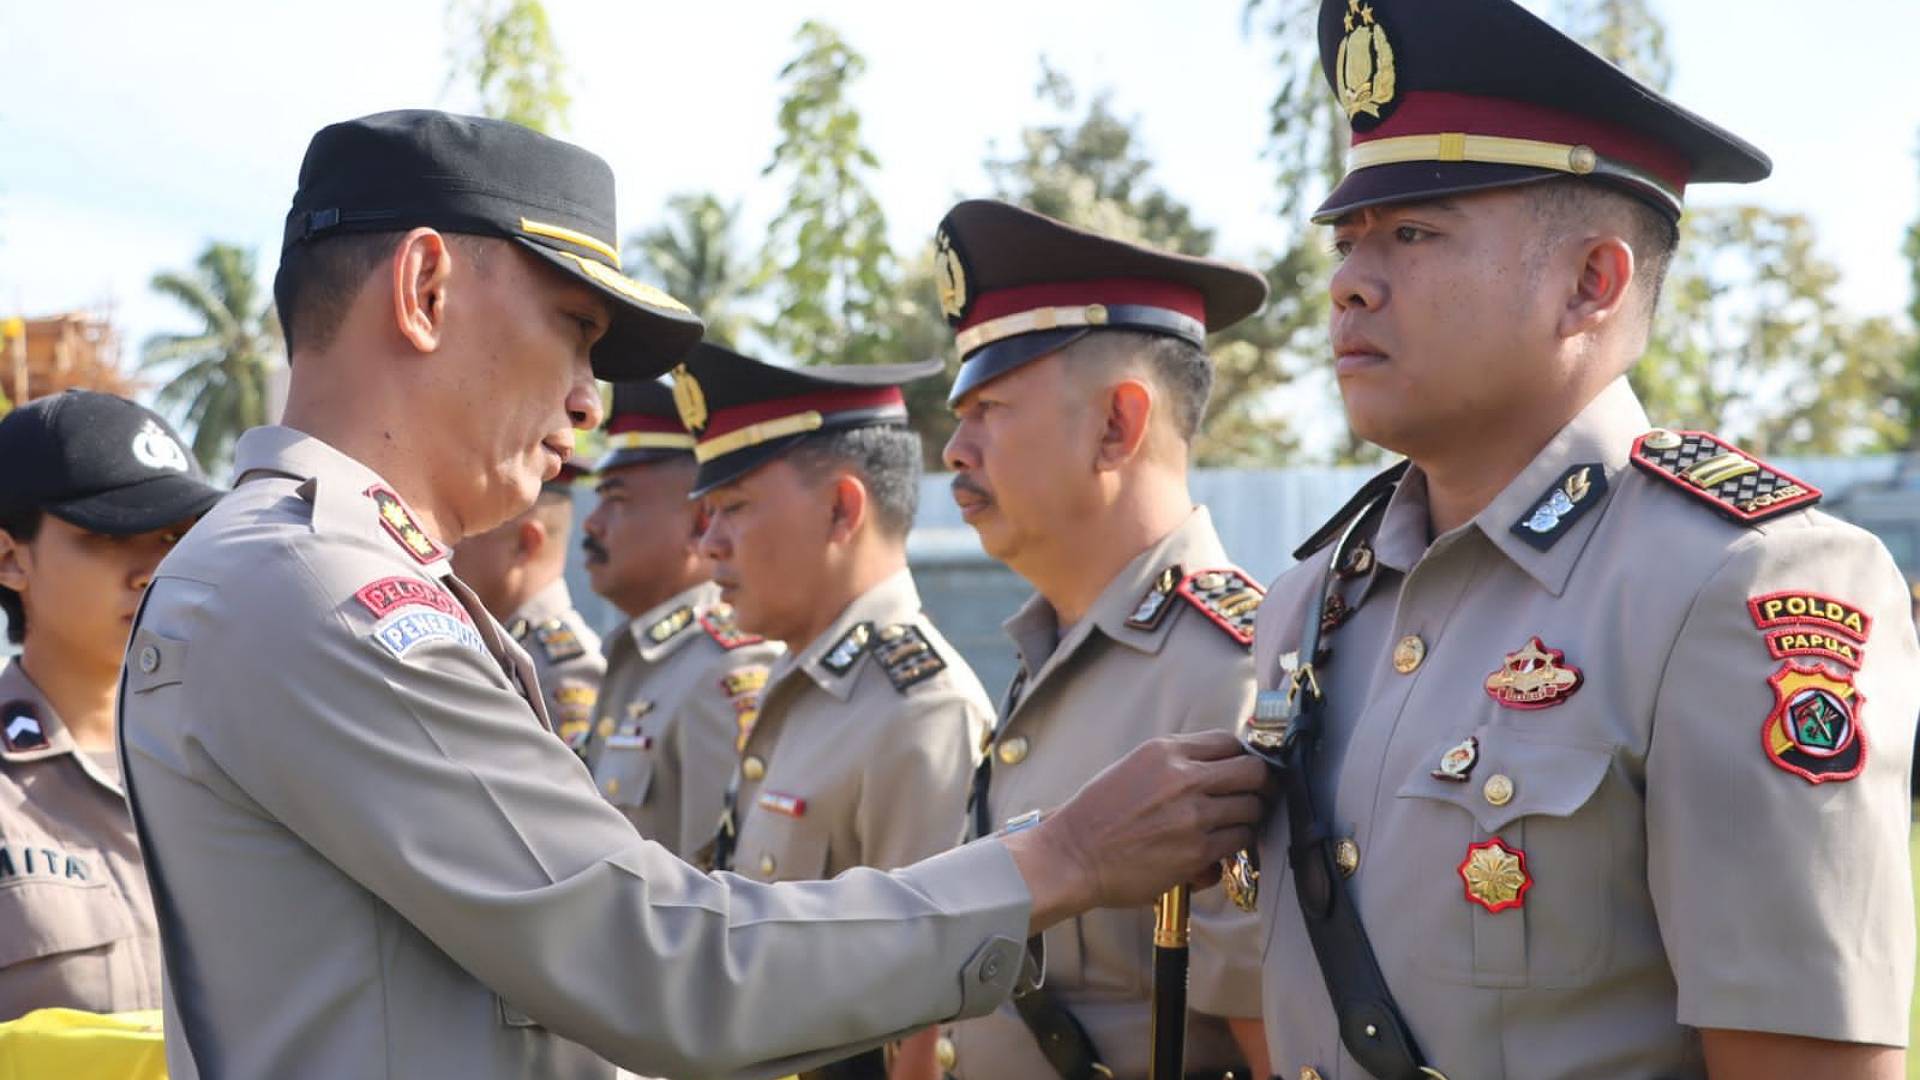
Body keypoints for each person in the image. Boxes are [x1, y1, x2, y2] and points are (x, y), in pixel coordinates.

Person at [117, 109, 1270, 1080]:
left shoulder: (294, 574)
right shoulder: (326, 592)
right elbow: (658, 957)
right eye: (575, 332)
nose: (587, 402)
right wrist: (1057, 860)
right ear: (424, 287)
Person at [1241, 3, 1919, 1078]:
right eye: (1348, 240)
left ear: (1591, 283)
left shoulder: (1739, 582)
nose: (1348, 283)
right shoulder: (1309, 606)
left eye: (1413, 233)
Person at [935, 199, 1273, 1080]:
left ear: (1118, 425)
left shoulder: (1236, 670)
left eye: (992, 407)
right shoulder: (1047, 661)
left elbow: (1276, 1042)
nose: (954, 450)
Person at [681, 343, 995, 1080]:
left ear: (841, 509)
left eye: (734, 507)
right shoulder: (806, 683)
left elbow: (926, 1015)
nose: (708, 545)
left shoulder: (919, 708)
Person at [0, 390, 222, 1018]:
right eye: (107, 535)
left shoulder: (243, 755)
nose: (154, 568)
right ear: (10, 558)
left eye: (175, 535)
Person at [579, 377, 783, 859]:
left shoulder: (726, 670)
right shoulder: (638, 656)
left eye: (617, 498)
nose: (592, 522)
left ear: (698, 522)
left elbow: (715, 885)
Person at [452, 463, 605, 749]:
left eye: (464, 533)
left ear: (525, 543)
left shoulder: (565, 671)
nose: (446, 547)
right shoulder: (502, 643)